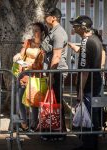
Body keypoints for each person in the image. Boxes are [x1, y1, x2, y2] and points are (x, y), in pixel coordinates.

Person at [69, 15, 102, 150]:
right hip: (96, 83)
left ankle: (88, 146)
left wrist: (81, 90)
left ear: (83, 27)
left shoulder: (86, 41)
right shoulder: (96, 39)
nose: (73, 27)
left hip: (89, 86)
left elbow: (84, 70)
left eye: (75, 25)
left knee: (88, 117)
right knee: (93, 118)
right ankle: (91, 145)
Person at [13, 22, 48, 131]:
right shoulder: (28, 42)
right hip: (23, 74)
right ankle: (23, 122)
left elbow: (43, 61)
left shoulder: (44, 45)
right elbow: (22, 54)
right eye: (33, 30)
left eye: (36, 30)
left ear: (42, 32)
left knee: (33, 101)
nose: (34, 33)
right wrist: (18, 56)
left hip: (35, 75)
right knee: (20, 99)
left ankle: (33, 124)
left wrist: (31, 66)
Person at [40, 7, 68, 140]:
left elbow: (56, 56)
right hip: (52, 71)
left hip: (56, 72)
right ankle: (52, 130)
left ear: (54, 18)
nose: (45, 18)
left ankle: (58, 132)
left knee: (56, 102)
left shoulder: (58, 33)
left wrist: (51, 75)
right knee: (53, 102)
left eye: (47, 16)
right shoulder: (53, 31)